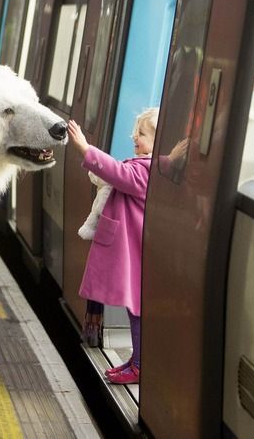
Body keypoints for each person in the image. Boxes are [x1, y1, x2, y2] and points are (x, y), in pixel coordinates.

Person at [66, 109, 188, 385]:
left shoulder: (142, 171)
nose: (135, 136)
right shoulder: (154, 168)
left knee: (136, 308)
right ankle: (136, 360)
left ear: (157, 142)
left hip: (134, 250)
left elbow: (117, 172)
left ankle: (140, 365)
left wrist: (85, 148)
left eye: (142, 134)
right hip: (133, 247)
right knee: (134, 307)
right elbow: (151, 166)